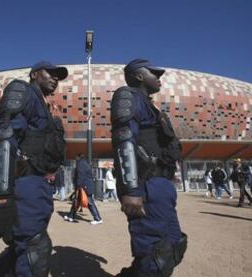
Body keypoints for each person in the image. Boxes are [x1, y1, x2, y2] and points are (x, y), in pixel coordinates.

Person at [0, 61, 68, 276]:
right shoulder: (23, 91)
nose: (55, 78)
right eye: (51, 73)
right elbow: (5, 137)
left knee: (23, 245)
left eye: (58, 76)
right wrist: (1, 196)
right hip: (26, 181)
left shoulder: (43, 105)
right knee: (35, 246)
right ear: (35, 74)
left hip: (39, 184)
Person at [111, 59, 187, 276]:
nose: (159, 77)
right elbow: (124, 140)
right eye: (154, 73)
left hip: (161, 185)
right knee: (156, 256)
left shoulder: (150, 106)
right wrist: (131, 190)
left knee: (173, 246)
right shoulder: (128, 96)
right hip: (145, 186)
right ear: (139, 76)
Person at [64, 154, 103, 224]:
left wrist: (79, 185)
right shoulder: (84, 163)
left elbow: (80, 175)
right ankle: (71, 216)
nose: (75, 159)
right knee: (76, 201)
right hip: (85, 186)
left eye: (76, 157)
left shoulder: (81, 164)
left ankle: (98, 218)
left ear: (78, 157)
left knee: (89, 202)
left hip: (84, 187)